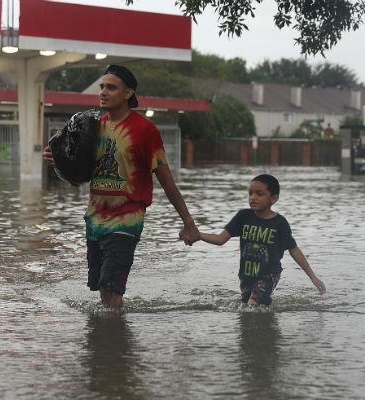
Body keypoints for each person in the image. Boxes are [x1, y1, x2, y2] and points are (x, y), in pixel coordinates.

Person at [43, 65, 199, 308]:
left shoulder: (145, 130)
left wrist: (188, 221)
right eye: (102, 87)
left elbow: (165, 178)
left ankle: (116, 342)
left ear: (128, 93)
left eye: (111, 87)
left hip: (127, 219)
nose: (103, 92)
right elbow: (80, 174)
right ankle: (107, 339)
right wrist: (60, 159)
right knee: (102, 291)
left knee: (111, 288)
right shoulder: (93, 128)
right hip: (95, 219)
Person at [198, 174, 326, 306]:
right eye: (250, 193)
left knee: (252, 303)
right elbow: (220, 239)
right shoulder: (243, 216)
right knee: (249, 308)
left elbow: (294, 250)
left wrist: (313, 277)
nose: (253, 197)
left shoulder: (279, 223)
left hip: (269, 274)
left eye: (259, 194)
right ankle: (269, 320)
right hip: (246, 275)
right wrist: (198, 235)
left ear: (273, 199)